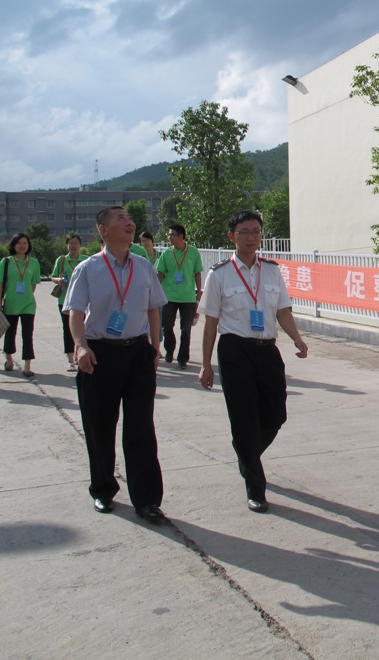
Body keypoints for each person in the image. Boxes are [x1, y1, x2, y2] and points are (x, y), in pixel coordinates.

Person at [198, 211, 308, 513]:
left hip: (267, 350)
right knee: (244, 418)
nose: (251, 237)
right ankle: (256, 489)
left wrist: (297, 338)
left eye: (256, 232)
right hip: (234, 350)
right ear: (231, 236)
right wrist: (205, 364)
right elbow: (211, 321)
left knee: (276, 414)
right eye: (244, 232)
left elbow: (282, 310)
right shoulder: (219, 274)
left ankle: (246, 453)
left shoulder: (271, 271)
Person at [63, 206, 168, 522]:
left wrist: (154, 347)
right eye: (120, 219)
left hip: (138, 353)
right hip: (99, 354)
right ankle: (103, 489)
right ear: (103, 229)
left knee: (141, 429)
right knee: (100, 426)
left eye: (130, 219)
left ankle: (147, 500)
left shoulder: (144, 266)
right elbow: (75, 312)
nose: (129, 223)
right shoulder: (88, 268)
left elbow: (153, 308)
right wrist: (81, 347)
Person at [0, 233, 41, 377]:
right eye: (19, 243)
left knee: (27, 335)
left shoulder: (33, 263)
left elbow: (33, 284)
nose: (22, 246)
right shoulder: (6, 262)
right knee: (10, 334)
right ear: (13, 245)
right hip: (11, 303)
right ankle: (9, 359)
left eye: (25, 243)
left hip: (28, 304)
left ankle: (27, 366)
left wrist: (26, 296)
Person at [156, 223, 203, 369]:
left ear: (181, 236)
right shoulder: (166, 253)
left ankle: (183, 358)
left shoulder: (193, 252)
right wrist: (155, 292)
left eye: (172, 235)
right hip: (169, 296)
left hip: (188, 296)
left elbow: (197, 273)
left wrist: (199, 292)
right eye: (169, 234)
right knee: (166, 326)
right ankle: (170, 349)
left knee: (186, 329)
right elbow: (160, 274)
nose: (169, 237)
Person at [50, 234, 88, 371]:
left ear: (80, 245)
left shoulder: (86, 260)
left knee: (83, 329)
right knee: (67, 329)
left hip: (83, 301)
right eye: (70, 243)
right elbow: (53, 276)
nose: (73, 246)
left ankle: (80, 354)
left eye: (75, 243)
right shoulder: (61, 260)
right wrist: (58, 280)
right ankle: (70, 360)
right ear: (67, 245)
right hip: (65, 300)